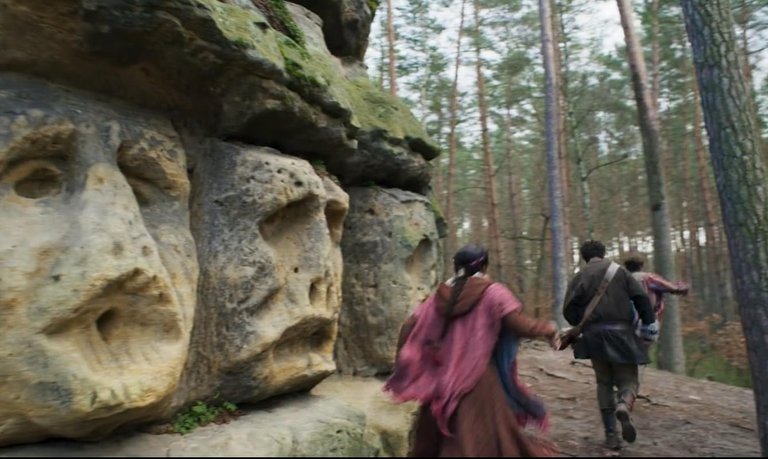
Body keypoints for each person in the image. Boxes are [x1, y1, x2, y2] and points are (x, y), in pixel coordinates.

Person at [384, 244, 560, 457]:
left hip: (440, 383)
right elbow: (518, 324)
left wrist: (404, 364)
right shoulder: (494, 292)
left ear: (456, 266)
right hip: (478, 383)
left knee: (434, 444)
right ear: (484, 266)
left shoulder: (438, 297)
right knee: (484, 442)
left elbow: (409, 325)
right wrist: (548, 329)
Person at [563, 240, 659, 450]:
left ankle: (611, 436)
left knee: (604, 383)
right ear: (603, 253)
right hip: (621, 335)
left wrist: (582, 323)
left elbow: (569, 311)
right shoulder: (620, 272)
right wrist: (649, 322)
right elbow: (641, 298)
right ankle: (624, 404)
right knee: (628, 380)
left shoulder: (580, 276)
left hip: (594, 337)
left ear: (584, 257)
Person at [622, 251, 690, 326]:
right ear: (641, 266)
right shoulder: (648, 278)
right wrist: (684, 287)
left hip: (626, 323)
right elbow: (672, 288)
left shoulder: (622, 281)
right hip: (648, 321)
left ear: (626, 267)